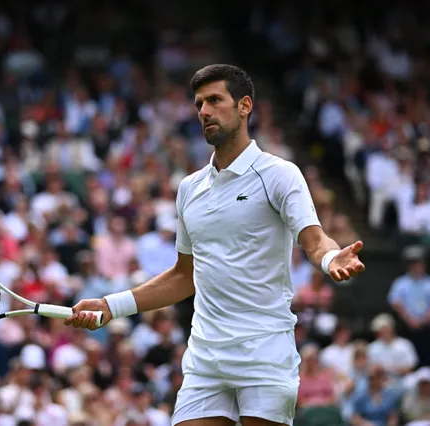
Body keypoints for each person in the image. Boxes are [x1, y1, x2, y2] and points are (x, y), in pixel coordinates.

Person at [65, 64, 365, 426]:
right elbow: (183, 276)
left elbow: (314, 240)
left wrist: (331, 257)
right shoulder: (189, 189)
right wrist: (112, 306)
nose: (204, 111)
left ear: (244, 106)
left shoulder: (280, 174)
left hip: (264, 353)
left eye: (214, 100)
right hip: (205, 359)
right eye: (198, 104)